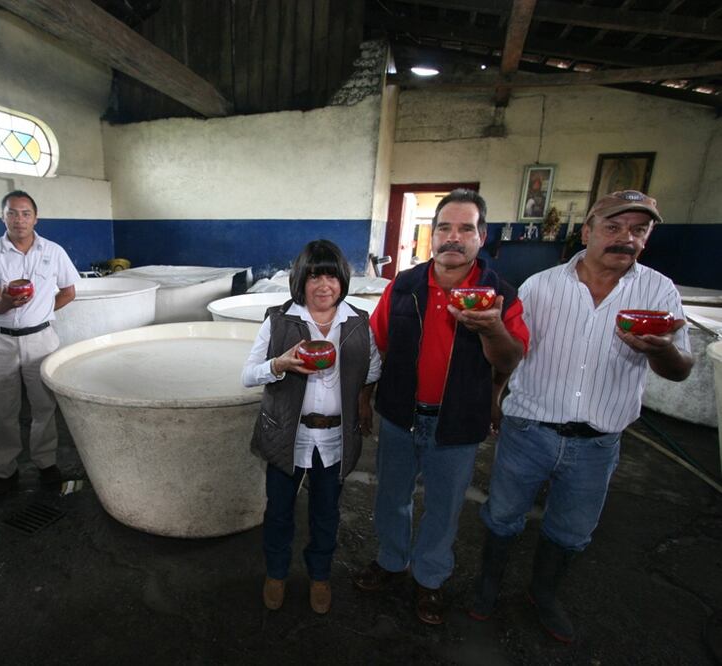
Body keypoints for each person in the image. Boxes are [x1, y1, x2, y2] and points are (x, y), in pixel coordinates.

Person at [469, 190, 692, 643]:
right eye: (613, 227)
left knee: (571, 531)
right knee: (502, 515)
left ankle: (544, 594)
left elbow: (681, 369)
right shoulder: (541, 286)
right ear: (587, 231)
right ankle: (487, 584)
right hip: (530, 428)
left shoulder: (659, 291)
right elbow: (511, 354)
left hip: (597, 440)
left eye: (638, 230)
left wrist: (662, 348)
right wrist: (494, 395)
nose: (625, 239)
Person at [353, 188, 529, 625]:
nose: (454, 237)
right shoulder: (404, 287)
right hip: (400, 415)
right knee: (391, 497)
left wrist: (489, 330)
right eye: (444, 228)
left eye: (465, 228)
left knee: (444, 506)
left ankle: (430, 579)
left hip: (457, 421)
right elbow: (376, 345)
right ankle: (392, 561)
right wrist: (364, 398)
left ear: (481, 236)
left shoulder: (499, 294)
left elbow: (510, 359)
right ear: (432, 236)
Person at [242, 240, 381, 615]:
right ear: (301, 280)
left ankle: (320, 576)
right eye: (315, 275)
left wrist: (363, 398)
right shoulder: (279, 320)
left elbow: (373, 368)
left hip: (334, 437)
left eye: (332, 275)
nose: (324, 285)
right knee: (279, 511)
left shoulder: (358, 322)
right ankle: (276, 573)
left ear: (343, 280)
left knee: (326, 512)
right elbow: (247, 374)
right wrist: (279, 364)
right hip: (289, 434)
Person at [0, 190, 78, 495]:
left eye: (25, 213)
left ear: (36, 217)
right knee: (1, 409)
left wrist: (41, 311)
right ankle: (5, 471)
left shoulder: (53, 251)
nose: (19, 219)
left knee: (44, 406)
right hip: (0, 342)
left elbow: (69, 291)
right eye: (12, 213)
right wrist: (8, 303)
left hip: (41, 339)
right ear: (2, 217)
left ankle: (46, 463)